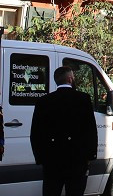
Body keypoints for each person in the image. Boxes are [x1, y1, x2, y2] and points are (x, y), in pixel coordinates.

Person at [31, 65, 98, 196]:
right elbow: (90, 130)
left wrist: (40, 158)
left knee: (51, 191)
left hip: (52, 159)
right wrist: (90, 155)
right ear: (70, 79)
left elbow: (36, 133)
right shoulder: (83, 99)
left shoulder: (43, 101)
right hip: (76, 158)